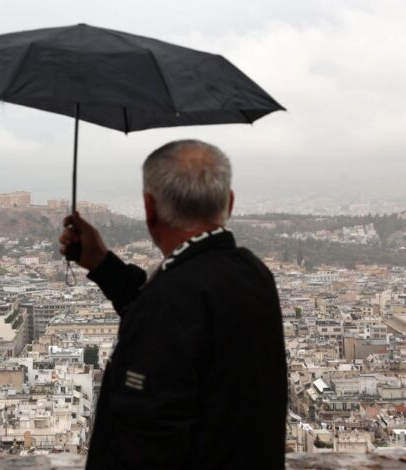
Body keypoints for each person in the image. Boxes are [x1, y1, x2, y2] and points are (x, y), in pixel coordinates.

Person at [60, 140, 287, 469]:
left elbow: (144, 443)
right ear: (229, 203)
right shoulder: (252, 273)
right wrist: (103, 265)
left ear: (149, 207)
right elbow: (183, 318)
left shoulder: (172, 298)